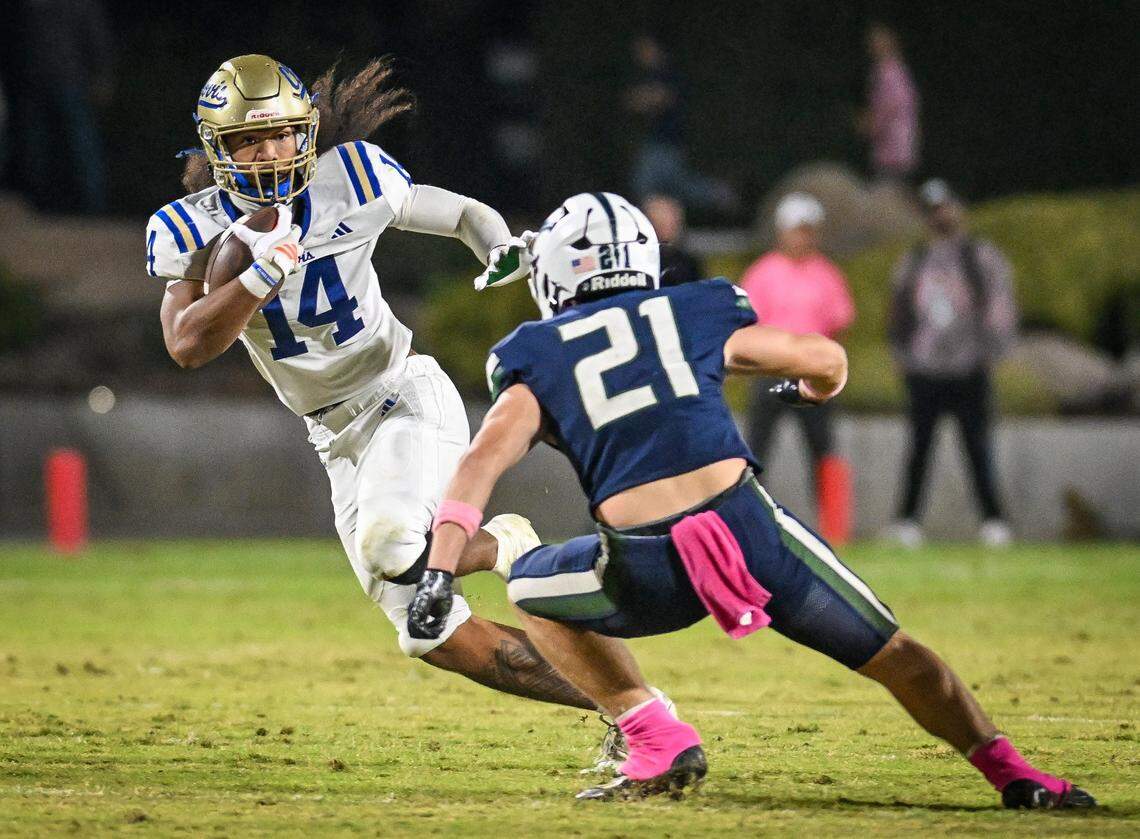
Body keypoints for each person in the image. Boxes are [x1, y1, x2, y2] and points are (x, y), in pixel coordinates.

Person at [407, 191, 1094, 809]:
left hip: (646, 564)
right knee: (899, 654)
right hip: (751, 533)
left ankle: (654, 730)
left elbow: (480, 464)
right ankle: (1015, 774)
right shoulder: (696, 309)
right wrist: (813, 392)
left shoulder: (536, 354)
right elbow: (824, 358)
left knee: (531, 585)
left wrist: (440, 568)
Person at [146, 55, 659, 763]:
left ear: (308, 134)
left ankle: (503, 542)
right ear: (217, 150)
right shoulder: (191, 230)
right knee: (434, 634)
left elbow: (459, 213)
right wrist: (259, 274)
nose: (269, 154)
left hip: (401, 396)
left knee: (391, 542)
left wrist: (500, 247)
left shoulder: (351, 179)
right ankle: (631, 713)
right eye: (247, 142)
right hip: (334, 439)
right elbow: (186, 344)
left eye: (283, 136)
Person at [885, 179, 1018, 547]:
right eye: (932, 209)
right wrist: (901, 355)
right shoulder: (913, 260)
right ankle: (906, 520)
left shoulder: (979, 256)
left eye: (944, 206)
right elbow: (898, 312)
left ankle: (993, 519)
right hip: (924, 371)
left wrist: (994, 351)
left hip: (968, 369)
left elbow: (999, 305)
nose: (940, 215)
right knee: (919, 449)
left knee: (977, 448)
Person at [740, 193, 855, 543]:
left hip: (812, 378)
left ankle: (835, 529)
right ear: (782, 232)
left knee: (824, 449)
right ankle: (748, 522)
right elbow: (747, 324)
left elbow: (839, 320)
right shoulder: (763, 272)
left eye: (809, 231)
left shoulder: (826, 273)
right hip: (771, 375)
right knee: (755, 451)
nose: (803, 238)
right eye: (797, 230)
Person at [626, 35, 734, 212]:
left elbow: (659, 98)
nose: (641, 54)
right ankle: (717, 193)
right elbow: (631, 100)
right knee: (672, 187)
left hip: (667, 143)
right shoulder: (647, 74)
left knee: (651, 186)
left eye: (645, 48)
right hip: (657, 143)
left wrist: (643, 99)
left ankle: (716, 193)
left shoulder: (667, 72)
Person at [857, 23, 919, 187]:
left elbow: (893, 105)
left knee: (890, 191)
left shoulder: (890, 73)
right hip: (891, 148)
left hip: (894, 148)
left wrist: (871, 124)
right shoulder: (888, 71)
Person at [642, 194, 702, 286]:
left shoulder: (689, 264)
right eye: (660, 222)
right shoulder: (639, 263)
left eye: (671, 221)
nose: (666, 227)